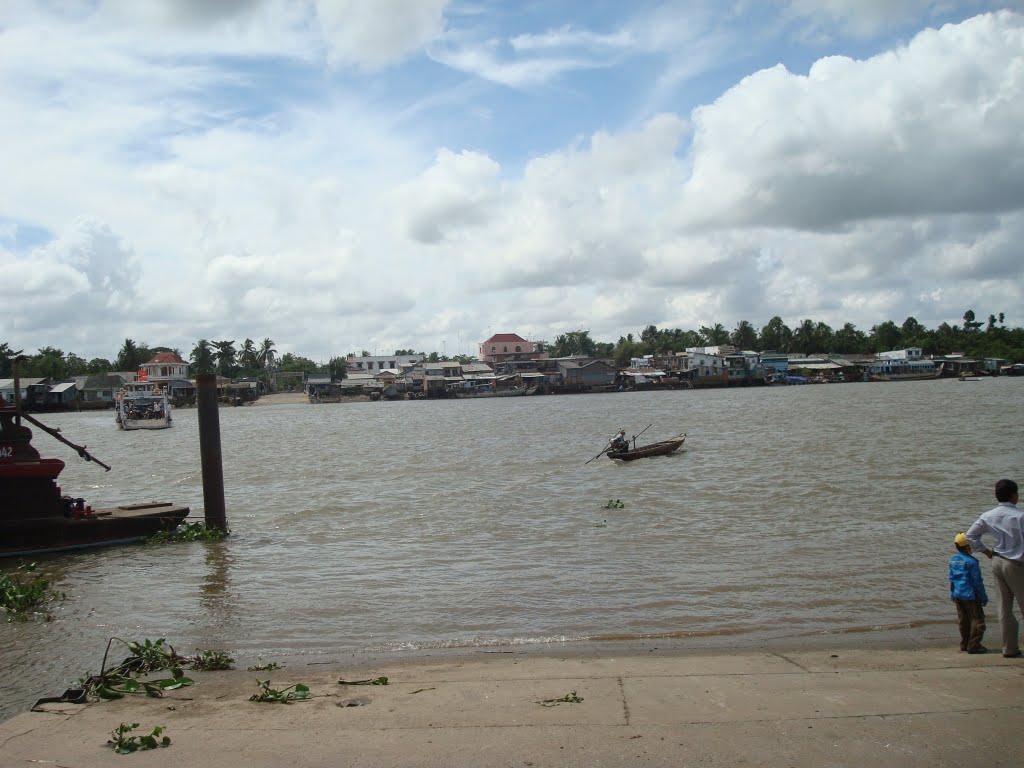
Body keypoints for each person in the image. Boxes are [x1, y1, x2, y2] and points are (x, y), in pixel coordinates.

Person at [965, 479, 1024, 658]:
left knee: (1004, 608)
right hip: (1017, 564)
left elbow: (970, 535)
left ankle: (1009, 648)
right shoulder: (1020, 516)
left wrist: (986, 552)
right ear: (1014, 495)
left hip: (997, 562)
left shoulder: (988, 515)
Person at [949, 532, 988, 653]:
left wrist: (952, 594)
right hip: (971, 595)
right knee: (978, 620)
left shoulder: (953, 560)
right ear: (966, 547)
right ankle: (974, 645)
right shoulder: (972, 562)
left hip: (958, 594)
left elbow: (952, 579)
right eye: (971, 545)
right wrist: (983, 596)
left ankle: (964, 643)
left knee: (963, 619)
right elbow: (977, 582)